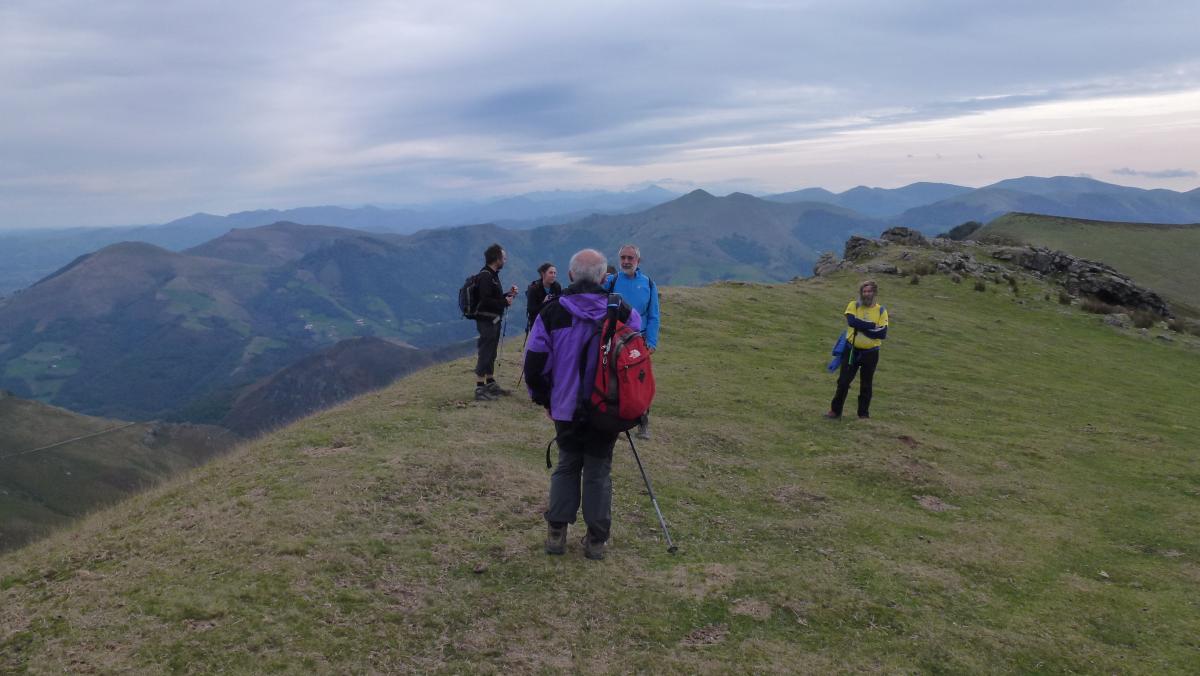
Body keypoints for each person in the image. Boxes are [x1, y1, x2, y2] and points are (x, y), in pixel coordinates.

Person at [524, 248, 641, 560]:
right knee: (598, 471)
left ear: (571, 275)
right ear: (604, 277)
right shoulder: (622, 311)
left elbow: (533, 365)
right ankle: (596, 541)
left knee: (567, 465)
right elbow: (637, 346)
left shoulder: (551, 312)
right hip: (607, 409)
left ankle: (556, 535)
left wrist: (545, 399)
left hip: (565, 408)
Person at [605, 244, 659, 439]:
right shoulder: (610, 281)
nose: (626, 261)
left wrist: (651, 342)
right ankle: (615, 421)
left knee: (640, 380)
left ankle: (643, 422)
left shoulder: (649, 284)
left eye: (630, 258)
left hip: (638, 340)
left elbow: (653, 315)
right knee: (613, 378)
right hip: (614, 337)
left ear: (638, 261)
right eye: (623, 258)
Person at [826, 280, 889, 419]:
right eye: (864, 291)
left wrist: (861, 327)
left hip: (871, 353)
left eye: (869, 291)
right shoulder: (853, 305)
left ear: (875, 293)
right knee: (843, 381)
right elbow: (852, 322)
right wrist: (872, 326)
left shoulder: (881, 311)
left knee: (866, 384)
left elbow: (882, 334)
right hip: (851, 350)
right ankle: (835, 411)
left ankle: (863, 415)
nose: (866, 294)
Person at [473, 243, 518, 401]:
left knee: (491, 351)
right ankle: (479, 388)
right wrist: (505, 302)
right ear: (496, 258)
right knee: (485, 351)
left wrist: (508, 295)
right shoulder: (486, 276)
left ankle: (490, 383)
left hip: (493, 319)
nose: (505, 260)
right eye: (503, 257)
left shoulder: (492, 274)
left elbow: (492, 298)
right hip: (486, 320)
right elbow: (485, 300)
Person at [524, 262, 562, 333]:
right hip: (537, 323)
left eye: (555, 273)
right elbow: (531, 311)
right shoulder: (534, 289)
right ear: (543, 274)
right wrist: (544, 303)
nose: (553, 275)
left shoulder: (557, 286)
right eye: (550, 273)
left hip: (552, 323)